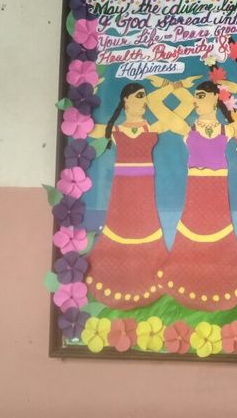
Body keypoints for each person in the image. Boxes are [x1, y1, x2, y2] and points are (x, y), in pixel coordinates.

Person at [150, 79, 237, 311]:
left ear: (215, 98)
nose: (195, 101)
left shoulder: (228, 130)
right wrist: (174, 85)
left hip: (217, 192)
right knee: (191, 235)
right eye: (195, 96)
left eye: (200, 96)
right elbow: (154, 102)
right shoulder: (187, 128)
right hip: (196, 190)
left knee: (219, 236)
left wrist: (235, 88)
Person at [84, 76, 199, 310]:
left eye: (145, 98)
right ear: (125, 100)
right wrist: (89, 93)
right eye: (139, 97)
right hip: (122, 189)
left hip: (145, 187)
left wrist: (173, 87)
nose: (143, 102)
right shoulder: (114, 130)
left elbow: (183, 110)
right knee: (120, 225)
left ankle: (150, 275)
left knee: (145, 225)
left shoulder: (151, 126)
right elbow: (87, 128)